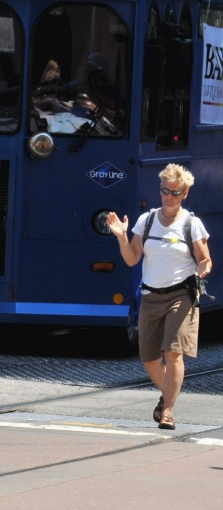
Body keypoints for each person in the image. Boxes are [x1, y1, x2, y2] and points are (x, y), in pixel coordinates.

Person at [108, 164, 212, 431]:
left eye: (175, 192)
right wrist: (121, 237)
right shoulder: (147, 220)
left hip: (181, 295)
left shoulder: (192, 224)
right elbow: (132, 259)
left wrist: (202, 270)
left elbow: (205, 259)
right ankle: (168, 394)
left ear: (185, 193)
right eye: (165, 190)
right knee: (150, 359)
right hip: (151, 296)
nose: (169, 196)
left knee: (173, 353)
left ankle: (167, 411)